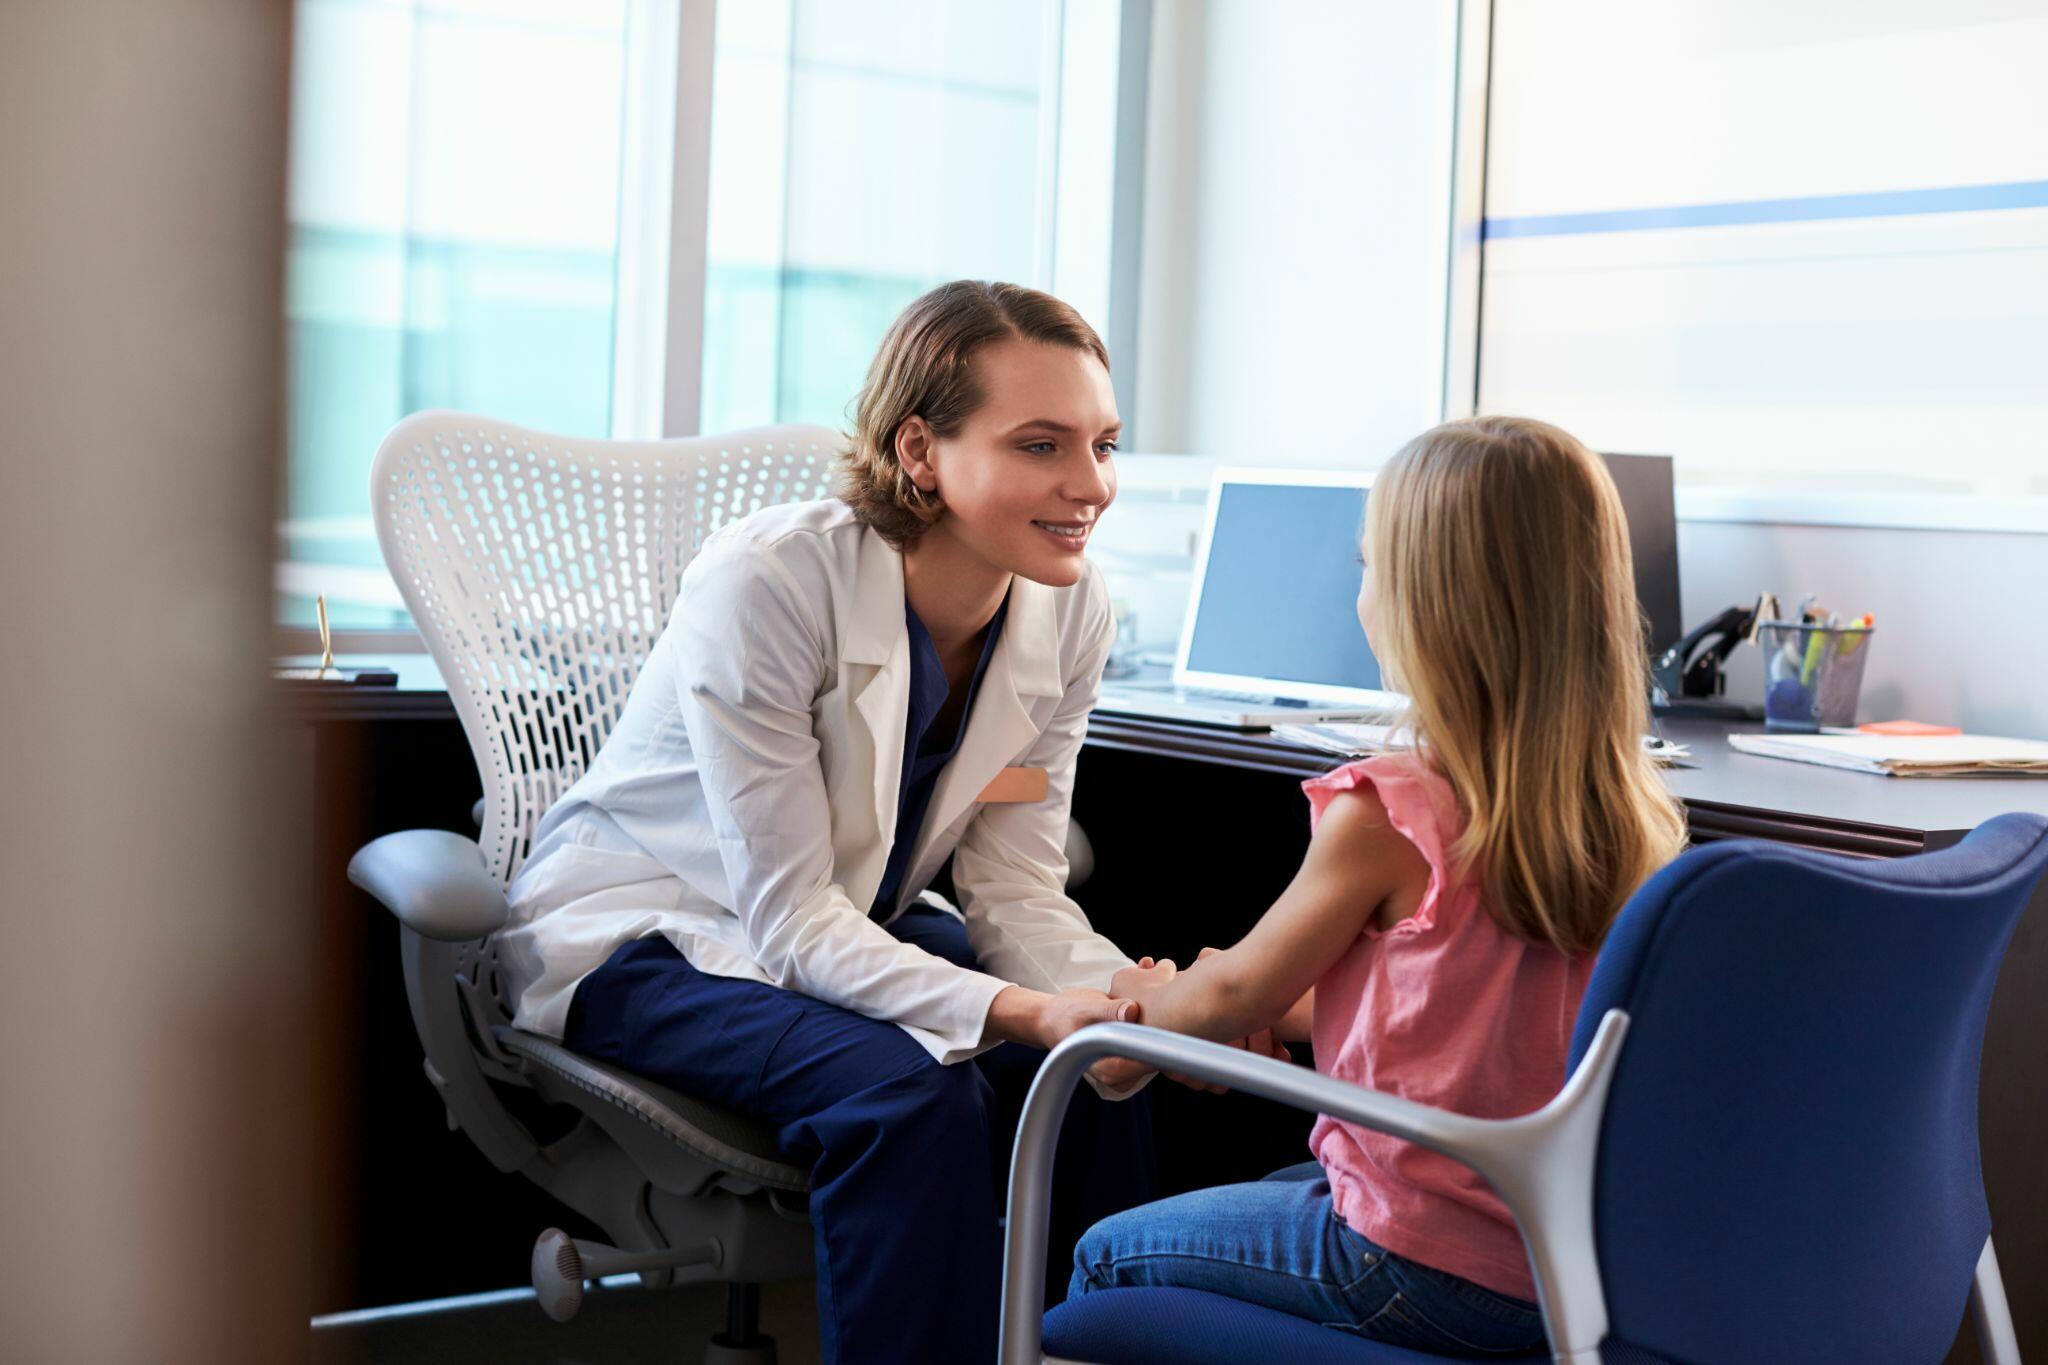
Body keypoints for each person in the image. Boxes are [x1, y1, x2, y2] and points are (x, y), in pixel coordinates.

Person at [495, 281, 1160, 1363]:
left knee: (1088, 1072)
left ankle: (1079, 1348)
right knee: (907, 1098)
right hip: (648, 934)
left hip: (839, 920)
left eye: (1103, 445)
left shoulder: (1068, 607)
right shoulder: (769, 582)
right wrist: (1023, 1010)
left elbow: (1011, 883)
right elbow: (791, 914)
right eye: (1041, 445)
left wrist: (1099, 999)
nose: (1089, 486)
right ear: (920, 449)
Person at [1072, 416, 1688, 1357]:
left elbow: (1236, 988)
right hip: (1563, 1265)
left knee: (1101, 1257)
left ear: (1422, 601)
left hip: (1414, 1260)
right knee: (1283, 1183)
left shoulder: (1391, 808)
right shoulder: (1631, 810)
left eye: (1367, 564)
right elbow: (1454, 1004)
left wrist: (1152, 1005)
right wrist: (1267, 1018)